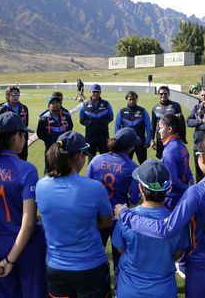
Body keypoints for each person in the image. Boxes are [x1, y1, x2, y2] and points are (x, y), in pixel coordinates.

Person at [115, 132, 205, 298]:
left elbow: (165, 229)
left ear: (202, 159)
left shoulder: (197, 192)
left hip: (203, 272)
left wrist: (125, 215)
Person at [0, 112, 47, 298]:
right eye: (24, 135)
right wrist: (10, 260)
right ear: (15, 137)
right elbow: (28, 224)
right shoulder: (26, 169)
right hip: (26, 245)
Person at [36, 131, 113, 298]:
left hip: (56, 268)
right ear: (78, 155)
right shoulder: (94, 188)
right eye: (84, 154)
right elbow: (107, 222)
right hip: (91, 267)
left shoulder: (41, 186)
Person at [111, 159, 190, 298]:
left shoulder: (125, 218)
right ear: (168, 188)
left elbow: (120, 248)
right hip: (163, 290)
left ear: (141, 188)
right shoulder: (176, 221)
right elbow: (178, 252)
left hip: (129, 289)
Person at [86, 127, 141, 278]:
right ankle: (119, 288)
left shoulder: (96, 160)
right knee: (120, 257)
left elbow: (87, 189)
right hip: (119, 219)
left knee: (95, 255)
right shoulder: (133, 168)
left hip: (97, 217)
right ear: (130, 147)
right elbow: (135, 198)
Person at [158, 114, 194, 210]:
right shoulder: (181, 145)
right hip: (183, 196)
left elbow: (172, 181)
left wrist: (190, 190)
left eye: (160, 128)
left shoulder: (169, 151)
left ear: (169, 129)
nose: (159, 131)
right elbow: (188, 171)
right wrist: (191, 185)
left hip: (173, 199)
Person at [37, 94, 73, 173]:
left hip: (64, 148)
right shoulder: (43, 119)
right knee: (49, 169)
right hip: (50, 148)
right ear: (48, 105)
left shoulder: (66, 116)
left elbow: (70, 129)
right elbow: (40, 134)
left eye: (57, 102)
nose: (55, 104)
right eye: (53, 103)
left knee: (64, 168)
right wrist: (50, 141)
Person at [0, 86, 30, 160]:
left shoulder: (24, 108)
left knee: (22, 159)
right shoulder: (3, 109)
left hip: (21, 138)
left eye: (17, 95)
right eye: (13, 95)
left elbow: (26, 124)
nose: (16, 97)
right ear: (8, 96)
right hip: (8, 140)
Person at [115, 91, 151, 164]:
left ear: (136, 99)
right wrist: (117, 140)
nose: (132, 101)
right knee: (125, 163)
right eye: (130, 99)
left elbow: (148, 126)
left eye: (134, 99)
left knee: (143, 163)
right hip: (126, 143)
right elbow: (117, 126)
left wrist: (148, 140)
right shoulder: (122, 111)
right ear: (126, 100)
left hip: (140, 143)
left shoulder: (143, 111)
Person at [79, 84, 114, 157]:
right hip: (90, 137)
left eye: (97, 92)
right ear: (90, 92)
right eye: (94, 92)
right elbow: (81, 120)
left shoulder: (106, 104)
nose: (95, 94)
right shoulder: (85, 105)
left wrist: (103, 124)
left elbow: (111, 117)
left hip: (103, 136)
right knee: (91, 158)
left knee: (105, 157)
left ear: (100, 92)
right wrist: (90, 125)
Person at [151, 86, 184, 159]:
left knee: (174, 157)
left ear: (168, 94)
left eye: (165, 93)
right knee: (162, 158)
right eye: (161, 93)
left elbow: (181, 122)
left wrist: (182, 137)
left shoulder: (176, 105)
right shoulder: (155, 108)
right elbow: (153, 125)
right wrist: (152, 139)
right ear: (158, 94)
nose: (163, 95)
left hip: (173, 138)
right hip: (160, 138)